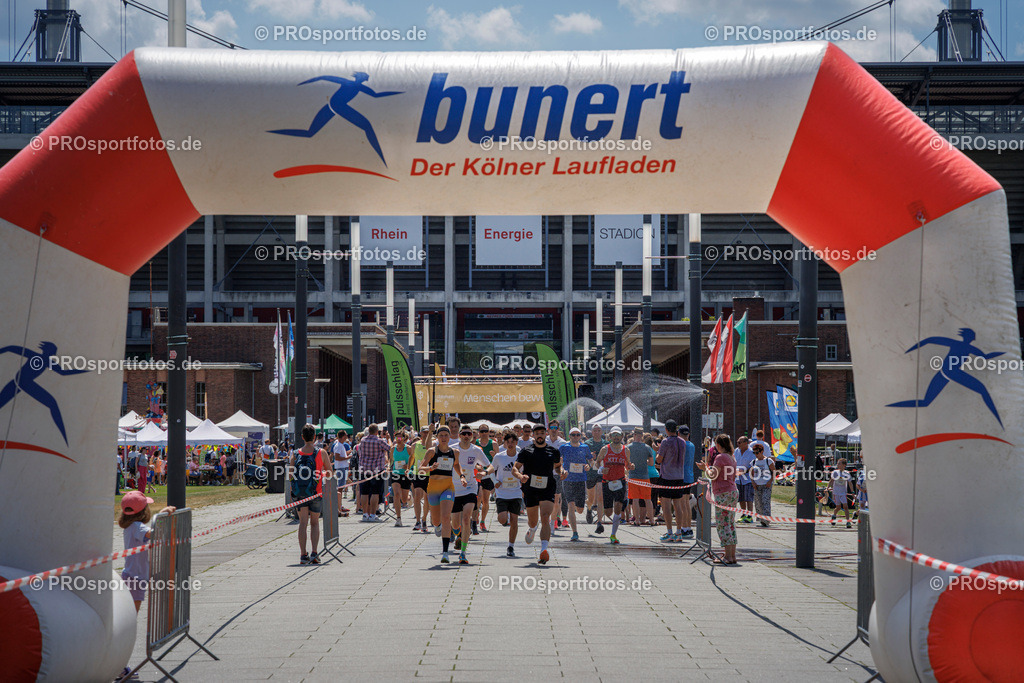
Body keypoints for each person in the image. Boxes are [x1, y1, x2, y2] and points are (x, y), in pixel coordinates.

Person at [118, 491, 175, 678]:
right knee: (129, 624)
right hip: (135, 580)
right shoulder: (136, 527)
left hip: (132, 577)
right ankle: (120, 666)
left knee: (128, 622)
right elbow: (153, 534)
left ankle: (119, 664)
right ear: (144, 512)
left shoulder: (130, 527)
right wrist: (164, 515)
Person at [513, 423, 562, 565]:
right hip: (531, 488)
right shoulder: (526, 451)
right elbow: (515, 469)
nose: (540, 435)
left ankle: (543, 550)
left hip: (548, 487)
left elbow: (558, 467)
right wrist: (520, 476)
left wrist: (562, 472)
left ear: (545, 434)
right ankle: (533, 529)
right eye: (537, 433)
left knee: (546, 517)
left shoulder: (553, 451)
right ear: (533, 435)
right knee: (533, 521)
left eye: (542, 433)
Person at [697, 433, 739, 565]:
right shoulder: (732, 458)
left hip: (723, 493)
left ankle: (727, 556)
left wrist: (706, 468)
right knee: (730, 523)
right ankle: (732, 555)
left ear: (719, 445)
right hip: (732, 491)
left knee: (722, 523)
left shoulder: (720, 458)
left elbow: (713, 475)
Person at [421, 425, 460, 563]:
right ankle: (437, 526)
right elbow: (420, 468)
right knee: (436, 521)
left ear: (450, 437)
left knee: (445, 516)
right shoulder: (432, 452)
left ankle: (445, 553)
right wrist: (430, 468)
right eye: (441, 435)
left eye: (446, 435)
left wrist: (461, 476)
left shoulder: (455, 452)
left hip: (448, 487)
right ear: (437, 437)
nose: (444, 438)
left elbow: (456, 465)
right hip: (433, 489)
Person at [289, 424, 327, 564]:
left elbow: (290, 475)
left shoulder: (296, 453)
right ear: (315, 437)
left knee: (303, 523)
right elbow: (329, 471)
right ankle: (314, 553)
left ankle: (302, 555)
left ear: (302, 437)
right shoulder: (321, 452)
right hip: (316, 492)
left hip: (300, 493)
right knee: (315, 522)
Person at [451, 426, 489, 564]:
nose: (466, 436)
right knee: (455, 524)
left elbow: (488, 465)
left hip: (470, 487)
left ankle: (463, 553)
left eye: (469, 434)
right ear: (460, 435)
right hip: (454, 488)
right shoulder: (453, 448)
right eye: (464, 434)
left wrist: (484, 472)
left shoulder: (476, 450)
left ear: (472, 436)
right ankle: (458, 534)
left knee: (466, 518)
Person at [485, 431, 524, 557]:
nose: (510, 444)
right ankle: (504, 514)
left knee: (514, 520)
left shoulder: (521, 457)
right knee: (502, 519)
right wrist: (494, 480)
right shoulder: (499, 457)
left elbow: (525, 471)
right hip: (502, 492)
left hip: (516, 492)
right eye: (508, 442)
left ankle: (511, 546)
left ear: (516, 443)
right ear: (505, 443)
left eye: (513, 442)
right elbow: (492, 468)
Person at [656, 420, 689, 542]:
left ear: (666, 429)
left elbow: (659, 460)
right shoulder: (682, 441)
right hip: (679, 476)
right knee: (678, 505)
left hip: (667, 477)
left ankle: (669, 532)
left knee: (666, 506)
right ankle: (679, 532)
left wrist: (657, 453)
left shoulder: (665, 442)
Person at [595, 426, 629, 544]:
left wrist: (631, 466)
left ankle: (613, 534)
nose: (616, 437)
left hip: (620, 481)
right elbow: (597, 462)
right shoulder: (605, 449)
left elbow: (628, 465)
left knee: (618, 507)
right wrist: (601, 469)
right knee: (609, 512)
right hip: (607, 482)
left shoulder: (626, 450)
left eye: (618, 435)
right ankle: (609, 517)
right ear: (610, 437)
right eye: (613, 435)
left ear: (622, 436)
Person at [559, 427, 591, 541]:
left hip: (581, 479)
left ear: (580, 436)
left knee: (580, 509)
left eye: (578, 435)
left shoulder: (585, 447)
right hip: (568, 480)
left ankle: (589, 507)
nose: (575, 437)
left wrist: (588, 466)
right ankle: (575, 532)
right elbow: (559, 461)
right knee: (570, 506)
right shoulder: (564, 447)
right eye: (573, 435)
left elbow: (590, 460)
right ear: (569, 436)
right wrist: (562, 469)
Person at [357, 424, 389, 522]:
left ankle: (365, 514)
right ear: (377, 431)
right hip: (376, 470)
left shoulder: (362, 440)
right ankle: (373, 515)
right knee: (375, 493)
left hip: (364, 469)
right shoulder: (380, 441)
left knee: (364, 492)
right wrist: (388, 438)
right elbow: (389, 448)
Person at [473, 424, 497, 534]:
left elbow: (498, 459)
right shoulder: (476, 443)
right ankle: (476, 516)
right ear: (479, 432)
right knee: (479, 498)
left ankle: (482, 521)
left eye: (485, 431)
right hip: (478, 473)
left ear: (488, 432)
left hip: (488, 474)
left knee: (486, 500)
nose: (483, 433)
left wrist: (494, 455)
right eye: (481, 431)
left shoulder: (493, 443)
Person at [627, 427, 653, 526]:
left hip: (633, 476)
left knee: (635, 499)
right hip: (645, 476)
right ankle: (652, 520)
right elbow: (651, 463)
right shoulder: (647, 448)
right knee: (648, 499)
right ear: (642, 436)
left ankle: (637, 520)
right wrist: (644, 461)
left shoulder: (628, 447)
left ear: (634, 435)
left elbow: (627, 462)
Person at [584, 425, 607, 532]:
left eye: (599, 430)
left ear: (601, 432)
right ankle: (589, 509)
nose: (597, 432)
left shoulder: (605, 444)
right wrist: (590, 457)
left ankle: (599, 522)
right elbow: (583, 457)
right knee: (591, 498)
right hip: (590, 474)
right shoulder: (587, 444)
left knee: (600, 496)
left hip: (601, 473)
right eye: (595, 431)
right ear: (592, 432)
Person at [410, 426, 432, 532]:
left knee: (427, 498)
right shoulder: (415, 445)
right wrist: (407, 469)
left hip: (429, 473)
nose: (426, 434)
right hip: (418, 473)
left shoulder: (432, 445)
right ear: (420, 433)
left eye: (428, 432)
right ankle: (418, 521)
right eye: (424, 432)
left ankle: (424, 519)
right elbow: (412, 457)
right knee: (417, 496)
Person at [388, 431, 413, 527]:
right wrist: (388, 466)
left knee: (404, 500)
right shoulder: (393, 448)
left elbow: (413, 460)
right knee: (396, 494)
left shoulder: (408, 448)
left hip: (405, 474)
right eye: (396, 438)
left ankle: (409, 497)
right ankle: (398, 518)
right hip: (396, 473)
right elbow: (391, 460)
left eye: (400, 438)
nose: (398, 440)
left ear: (403, 438)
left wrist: (408, 467)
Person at [749, 442, 775, 527]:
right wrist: (753, 482)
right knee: (758, 502)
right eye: (754, 453)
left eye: (757, 452)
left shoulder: (768, 461)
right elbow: (751, 473)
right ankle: (761, 519)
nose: (756, 454)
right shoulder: (753, 462)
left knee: (765, 501)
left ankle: (766, 520)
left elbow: (774, 472)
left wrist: (770, 481)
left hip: (766, 484)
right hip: (757, 485)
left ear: (762, 451)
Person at [733, 436, 755, 523]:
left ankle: (749, 516)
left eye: (739, 442)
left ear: (746, 443)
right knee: (741, 498)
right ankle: (743, 514)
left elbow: (754, 465)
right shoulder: (736, 451)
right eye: (737, 442)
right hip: (738, 479)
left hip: (748, 479)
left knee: (748, 498)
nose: (737, 444)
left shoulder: (751, 452)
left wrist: (745, 470)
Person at [332, 432, 352, 513]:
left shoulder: (340, 445)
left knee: (341, 486)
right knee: (340, 487)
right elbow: (336, 457)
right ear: (343, 436)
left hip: (341, 467)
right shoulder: (339, 445)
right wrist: (347, 457)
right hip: (341, 468)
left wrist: (346, 454)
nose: (347, 436)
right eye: (346, 435)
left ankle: (339, 505)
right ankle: (338, 506)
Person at [831, 458, 853, 528]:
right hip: (836, 492)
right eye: (837, 463)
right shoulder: (835, 472)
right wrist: (827, 488)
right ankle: (834, 515)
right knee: (838, 507)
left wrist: (852, 492)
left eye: (839, 463)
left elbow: (850, 483)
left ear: (844, 465)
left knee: (845, 506)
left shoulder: (847, 473)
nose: (838, 465)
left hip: (843, 492)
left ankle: (848, 522)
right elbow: (831, 480)